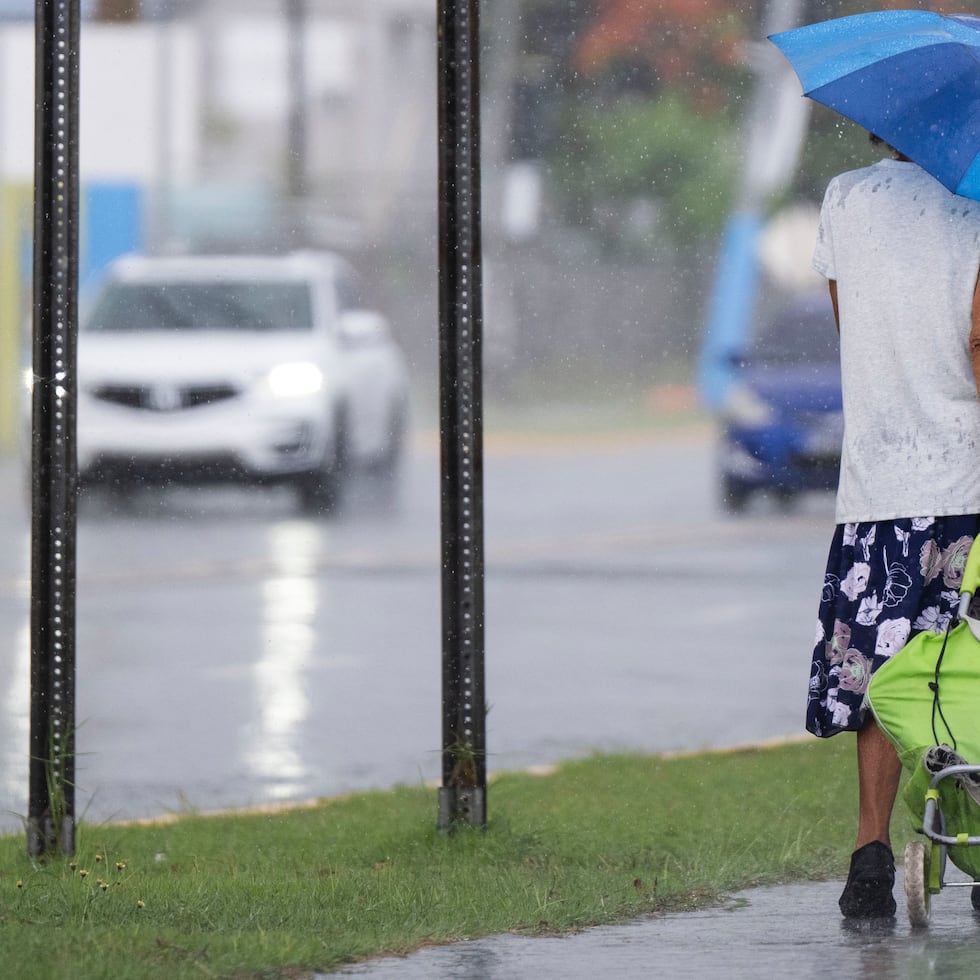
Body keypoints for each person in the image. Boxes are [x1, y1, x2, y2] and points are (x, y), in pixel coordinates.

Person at [808, 134, 980, 918]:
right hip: (966, 477)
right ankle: (973, 841)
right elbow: (979, 340)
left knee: (879, 673)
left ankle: (869, 856)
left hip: (877, 482)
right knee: (966, 666)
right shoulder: (974, 205)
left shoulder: (846, 198)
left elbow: (853, 325)